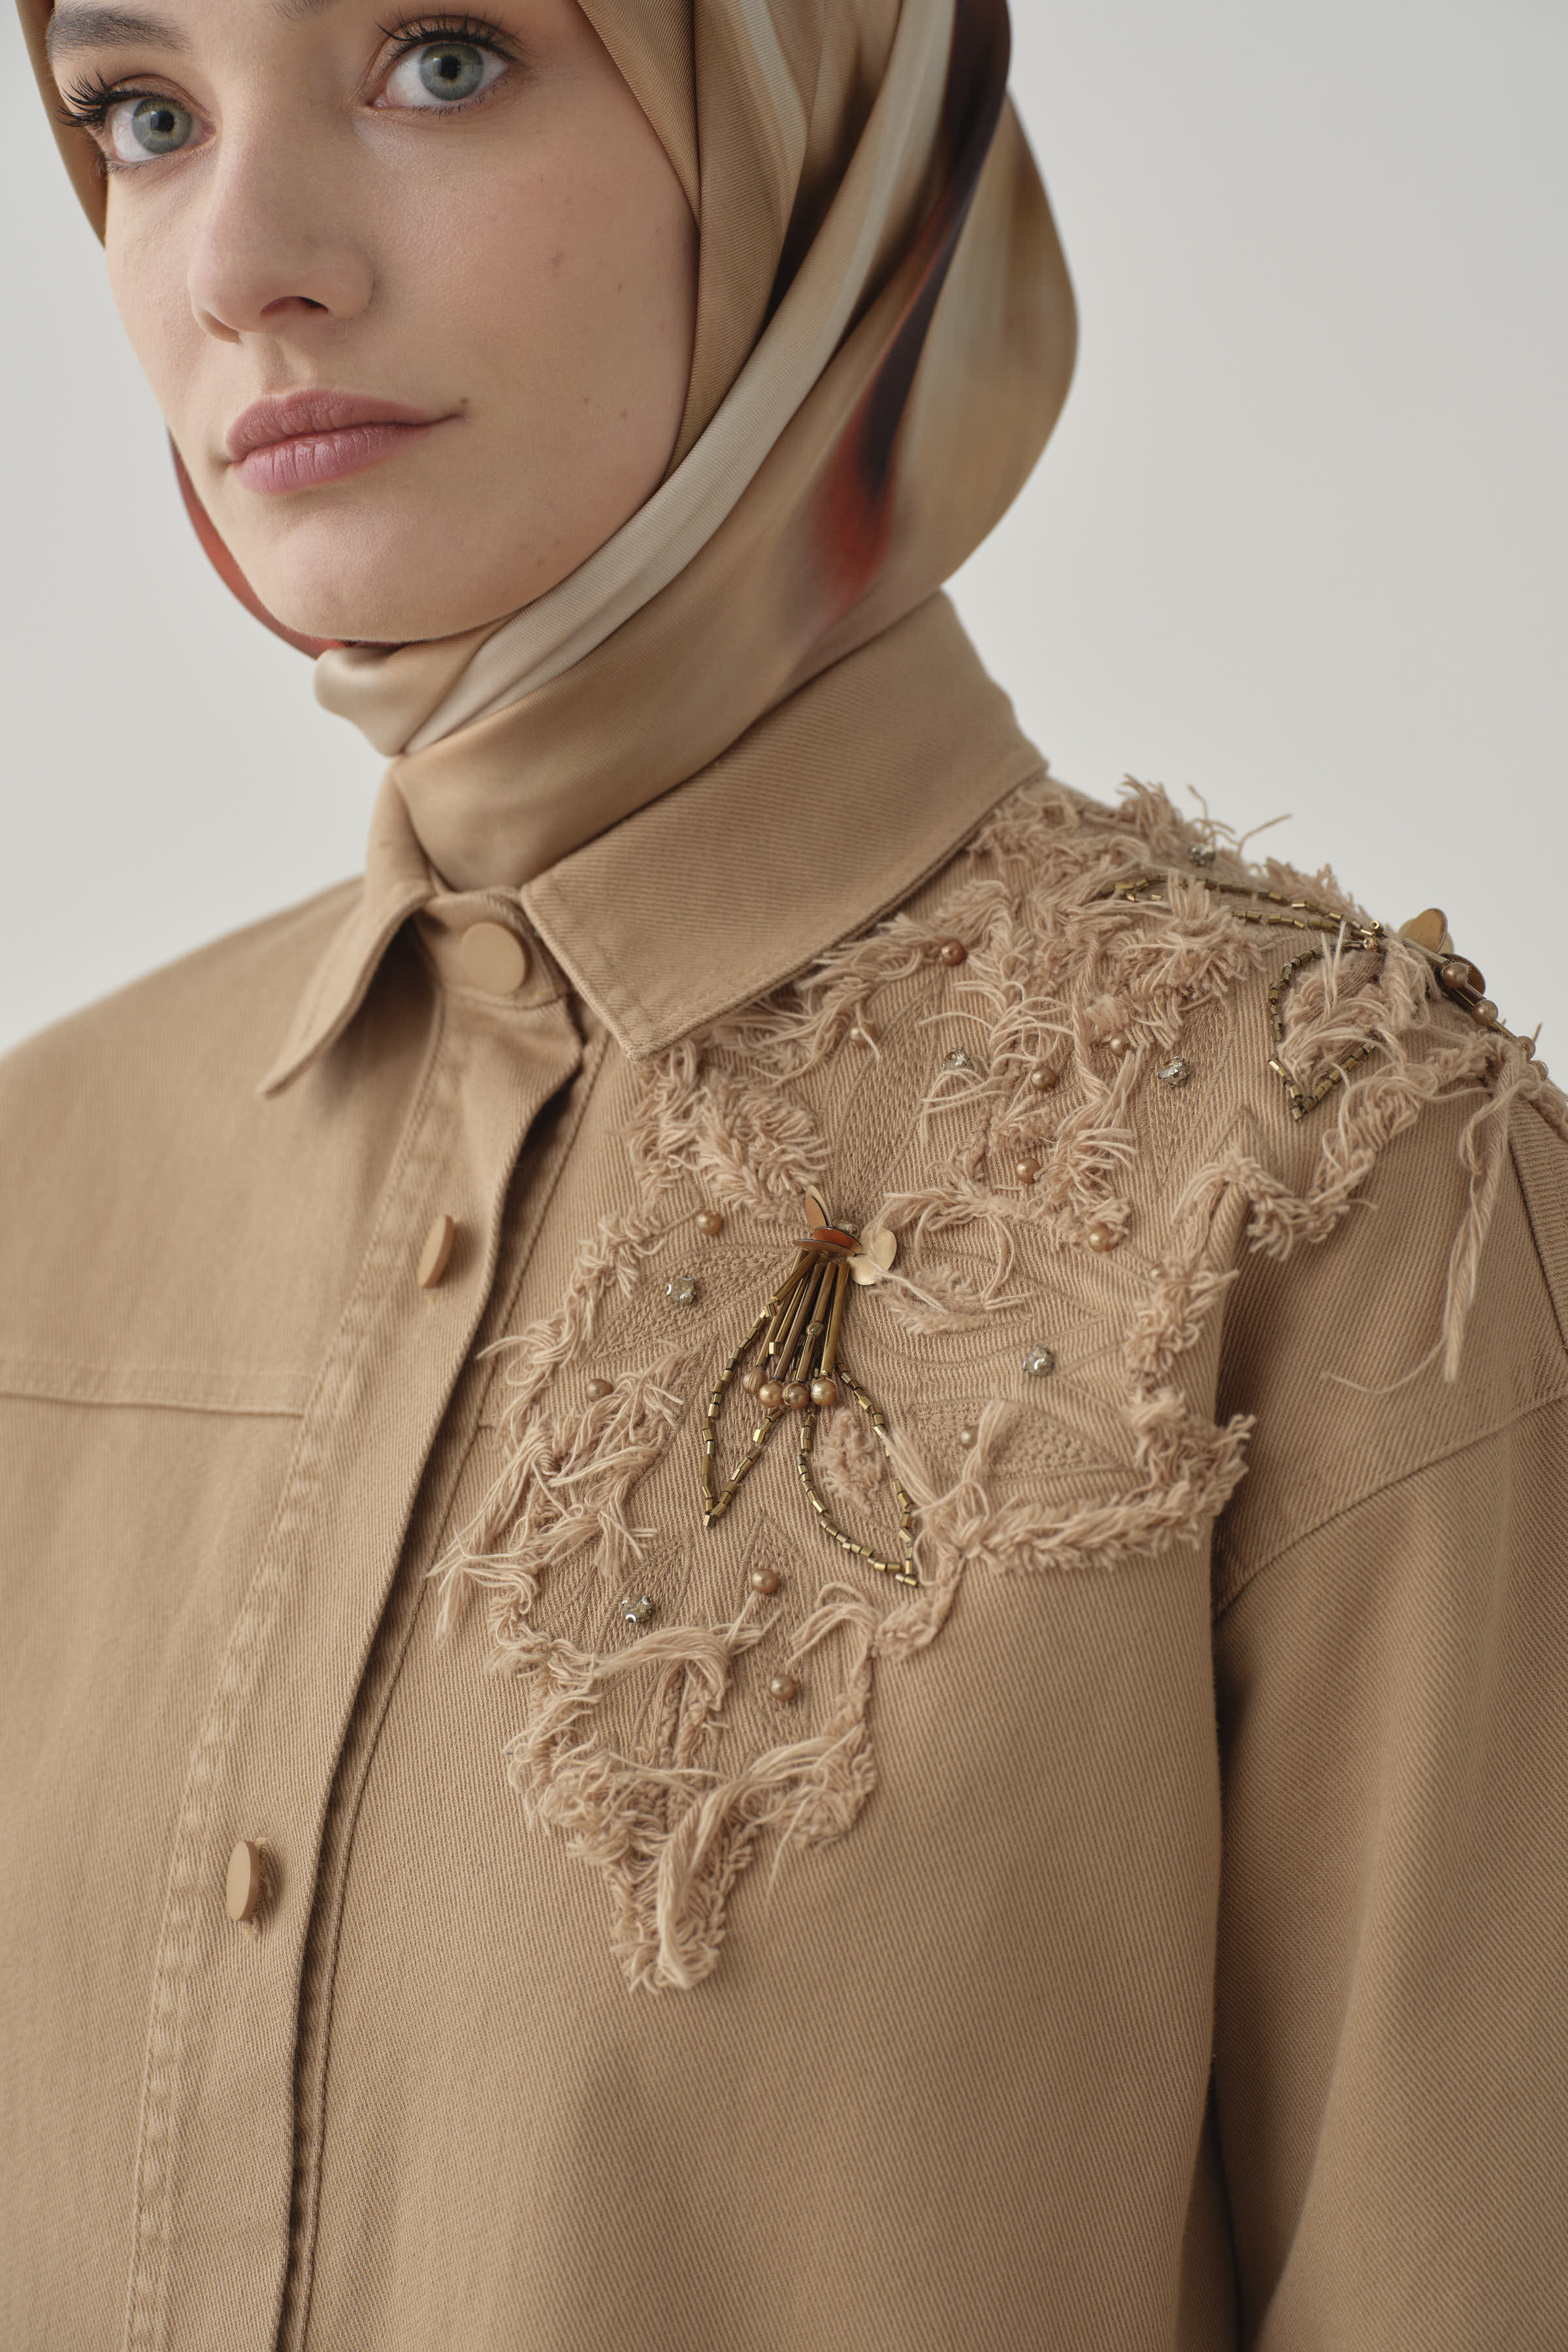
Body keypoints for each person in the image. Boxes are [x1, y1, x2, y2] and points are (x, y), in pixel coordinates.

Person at [3, 1, 1565, 2346]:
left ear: (805, 115)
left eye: (442, 58)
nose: (240, 267)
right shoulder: (38, 1189)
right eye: (142, 115)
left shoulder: (1339, 1181)